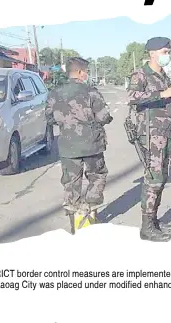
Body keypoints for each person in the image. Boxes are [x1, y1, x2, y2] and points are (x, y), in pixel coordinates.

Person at [126, 36, 171, 242]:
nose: (167, 56)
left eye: (168, 52)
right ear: (152, 54)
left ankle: (155, 221)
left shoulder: (163, 75)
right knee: (154, 179)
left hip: (165, 132)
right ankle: (147, 227)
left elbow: (170, 109)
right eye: (164, 52)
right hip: (151, 134)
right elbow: (131, 97)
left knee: (162, 178)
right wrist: (163, 93)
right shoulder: (141, 74)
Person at [45, 57, 113, 223]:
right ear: (80, 72)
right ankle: (90, 209)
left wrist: (66, 123)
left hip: (68, 145)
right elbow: (104, 116)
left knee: (71, 182)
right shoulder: (91, 92)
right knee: (97, 176)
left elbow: (49, 117)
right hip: (92, 145)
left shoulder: (54, 93)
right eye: (86, 72)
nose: (87, 75)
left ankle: (74, 216)